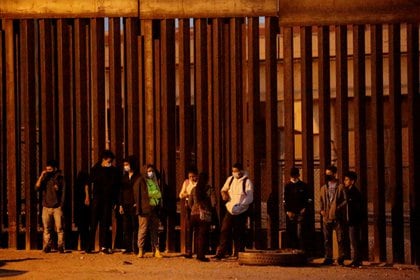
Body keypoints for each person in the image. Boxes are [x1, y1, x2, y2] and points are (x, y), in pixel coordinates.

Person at [213, 162, 254, 260]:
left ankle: (239, 253)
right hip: (230, 209)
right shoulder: (230, 179)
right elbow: (223, 189)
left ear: (241, 171)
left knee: (239, 232)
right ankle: (221, 252)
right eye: (234, 171)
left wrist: (241, 206)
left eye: (237, 171)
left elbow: (249, 197)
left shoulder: (247, 182)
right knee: (224, 230)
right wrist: (224, 194)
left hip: (241, 210)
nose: (235, 173)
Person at [86, 150, 120, 254]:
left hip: (108, 200)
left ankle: (104, 246)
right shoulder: (95, 169)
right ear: (103, 159)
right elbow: (88, 183)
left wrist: (115, 202)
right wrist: (87, 197)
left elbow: (116, 188)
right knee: (93, 223)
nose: (110, 163)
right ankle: (89, 246)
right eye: (109, 161)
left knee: (105, 223)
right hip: (97, 199)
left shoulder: (113, 171)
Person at [35, 159, 65, 253]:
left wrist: (61, 205)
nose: (48, 171)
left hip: (56, 206)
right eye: (47, 169)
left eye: (50, 169)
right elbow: (36, 188)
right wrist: (41, 176)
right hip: (46, 206)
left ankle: (60, 246)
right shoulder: (45, 178)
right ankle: (47, 245)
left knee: (59, 227)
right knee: (47, 228)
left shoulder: (60, 178)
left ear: (55, 169)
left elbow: (64, 192)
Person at [319, 165, 347, 265]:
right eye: (326, 174)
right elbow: (321, 200)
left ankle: (341, 257)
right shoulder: (323, 187)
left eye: (329, 174)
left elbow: (345, 200)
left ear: (334, 174)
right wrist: (321, 210)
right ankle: (328, 257)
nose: (328, 176)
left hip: (337, 217)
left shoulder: (340, 186)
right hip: (326, 216)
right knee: (327, 239)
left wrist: (337, 208)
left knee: (340, 238)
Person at [135, 164, 163, 258]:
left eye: (151, 171)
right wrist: (139, 209)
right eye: (148, 171)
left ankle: (156, 250)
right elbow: (141, 196)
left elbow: (159, 195)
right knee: (143, 230)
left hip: (154, 209)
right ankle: (141, 250)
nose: (150, 173)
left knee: (155, 230)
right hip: (144, 210)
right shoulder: (141, 181)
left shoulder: (155, 181)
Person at [188, 172, 213, 262]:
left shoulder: (194, 189)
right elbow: (214, 202)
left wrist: (194, 209)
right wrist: (208, 208)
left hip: (193, 214)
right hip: (203, 215)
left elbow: (190, 202)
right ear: (207, 179)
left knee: (192, 233)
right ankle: (200, 255)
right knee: (202, 235)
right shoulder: (209, 189)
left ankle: (189, 251)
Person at [118, 156, 140, 254]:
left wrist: (137, 202)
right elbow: (121, 192)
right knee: (126, 227)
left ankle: (136, 247)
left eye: (127, 164)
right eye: (124, 165)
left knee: (135, 226)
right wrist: (120, 205)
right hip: (125, 204)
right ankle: (128, 248)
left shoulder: (138, 177)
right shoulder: (124, 177)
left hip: (134, 204)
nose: (125, 167)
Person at [283, 167, 309, 250]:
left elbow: (307, 199)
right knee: (291, 232)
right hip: (291, 212)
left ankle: (300, 250)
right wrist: (287, 211)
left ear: (298, 175)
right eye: (292, 176)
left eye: (295, 175)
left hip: (300, 212)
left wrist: (304, 208)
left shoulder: (303, 186)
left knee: (300, 232)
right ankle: (292, 250)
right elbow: (285, 200)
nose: (293, 177)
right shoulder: (287, 186)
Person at [343, 171, 363, 267]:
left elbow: (357, 208)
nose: (344, 181)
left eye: (347, 180)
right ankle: (356, 259)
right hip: (351, 220)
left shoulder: (355, 193)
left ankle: (357, 260)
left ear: (352, 181)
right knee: (353, 240)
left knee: (354, 241)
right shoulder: (349, 192)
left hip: (354, 221)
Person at [178, 166, 199, 258]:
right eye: (190, 176)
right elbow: (181, 194)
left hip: (197, 206)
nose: (191, 178)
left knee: (198, 228)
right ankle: (189, 250)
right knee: (189, 228)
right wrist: (187, 194)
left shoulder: (199, 183)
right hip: (189, 206)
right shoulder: (186, 183)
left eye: (193, 176)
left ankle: (198, 250)